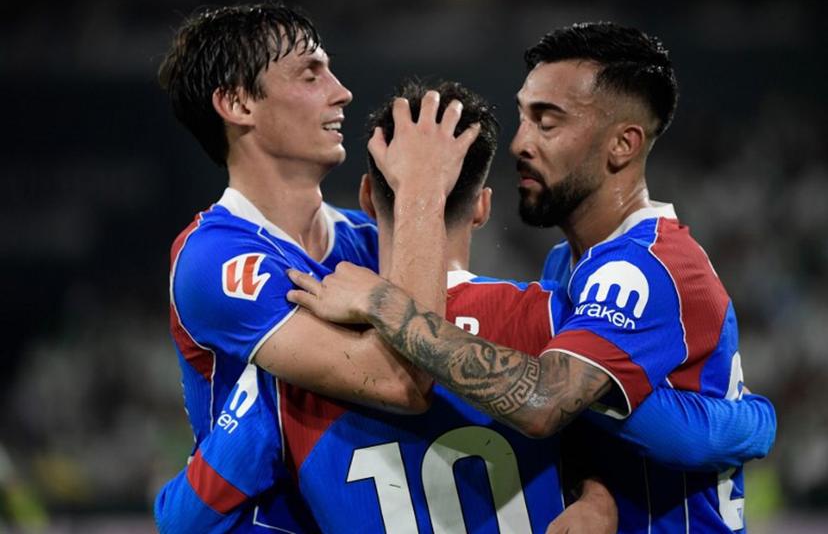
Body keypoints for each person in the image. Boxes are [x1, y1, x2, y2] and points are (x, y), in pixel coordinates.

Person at [157, 79, 774, 533]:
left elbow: (188, 516)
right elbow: (675, 435)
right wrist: (755, 420)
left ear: (368, 198)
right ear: (482, 206)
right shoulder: (547, 322)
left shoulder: (300, 359)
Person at [154, 1, 480, 531]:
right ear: (237, 102)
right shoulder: (214, 258)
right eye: (311, 72)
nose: (342, 91)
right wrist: (422, 188)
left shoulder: (369, 239)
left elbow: (466, 346)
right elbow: (402, 379)